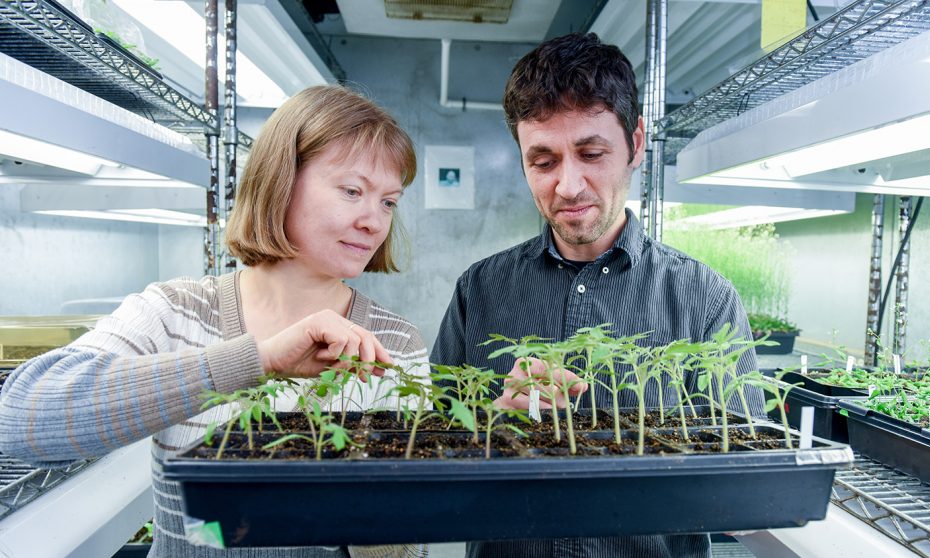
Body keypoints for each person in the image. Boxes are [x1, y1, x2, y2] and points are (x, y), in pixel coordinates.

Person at [0, 85, 429, 558]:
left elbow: (400, 540)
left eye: (389, 201)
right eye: (352, 191)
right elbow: (24, 421)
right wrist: (256, 359)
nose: (375, 221)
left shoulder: (393, 342)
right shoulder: (175, 312)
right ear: (281, 181)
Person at [431, 33, 765, 558]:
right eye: (543, 162)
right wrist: (494, 424)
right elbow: (427, 452)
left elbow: (745, 481)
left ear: (635, 143)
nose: (568, 185)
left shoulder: (704, 299)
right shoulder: (481, 290)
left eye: (591, 153)